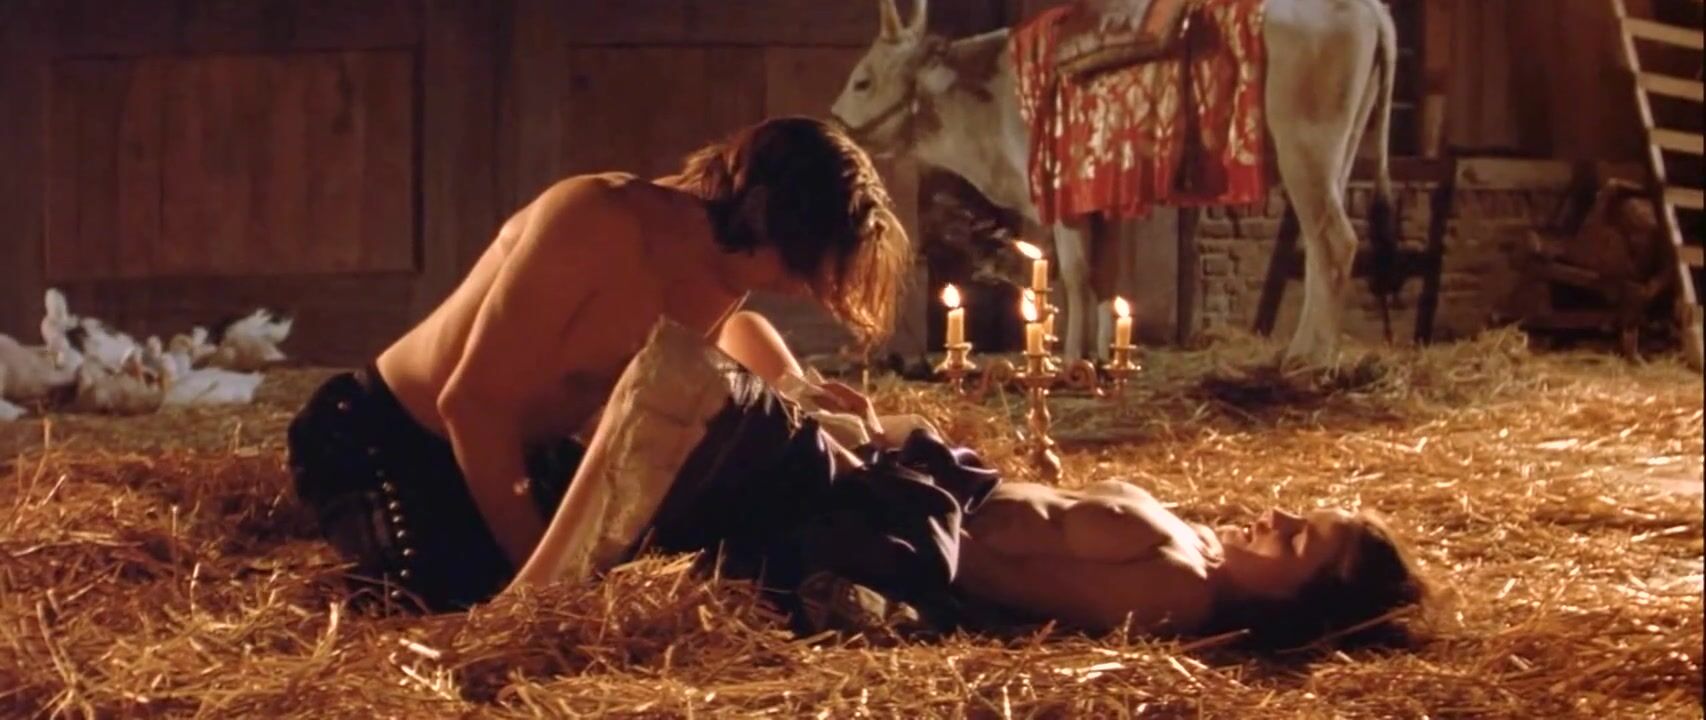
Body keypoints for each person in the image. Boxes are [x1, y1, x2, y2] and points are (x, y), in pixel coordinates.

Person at [287, 116, 915, 612]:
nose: (802, 288)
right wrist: (544, 592)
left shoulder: (730, 272)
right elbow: (471, 405)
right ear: (763, 216)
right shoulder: (599, 220)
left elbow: (691, 365)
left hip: (521, 455)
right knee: (451, 600)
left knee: (682, 563)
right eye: (800, 264)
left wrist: (798, 396)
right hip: (383, 433)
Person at [953, 482, 1435, 649]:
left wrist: (918, 506)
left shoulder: (1178, 591)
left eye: (1295, 539)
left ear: (1293, 602)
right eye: (1299, 515)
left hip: (929, 532)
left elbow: (998, 579)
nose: (1276, 517)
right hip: (953, 482)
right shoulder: (1202, 545)